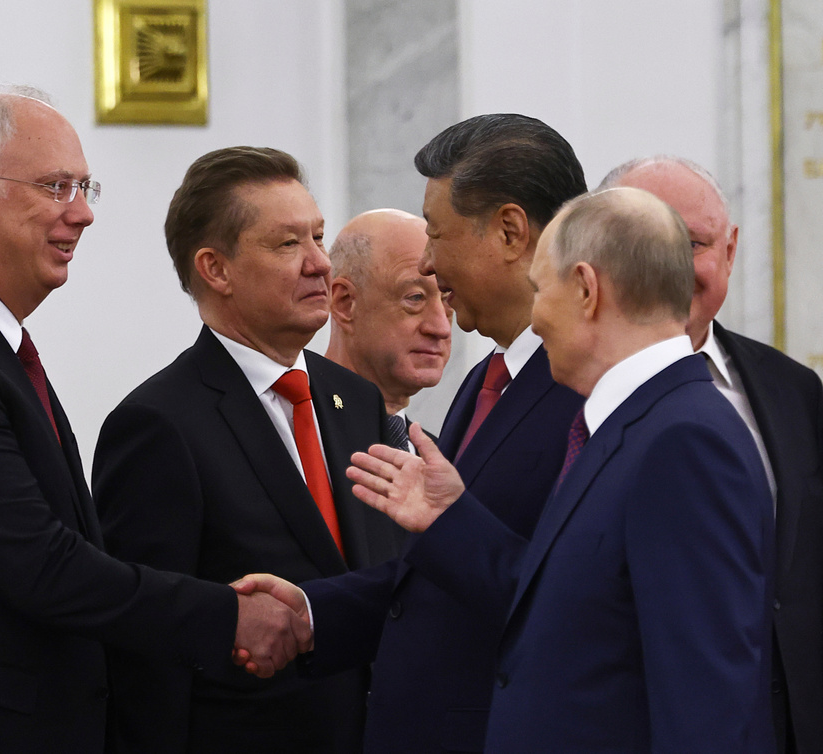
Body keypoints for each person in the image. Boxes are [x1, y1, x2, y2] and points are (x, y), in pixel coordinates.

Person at [0, 88, 308, 754]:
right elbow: (42, 565)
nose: (84, 213)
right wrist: (229, 616)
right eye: (56, 187)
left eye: (85, 186)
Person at [344, 186, 776, 752]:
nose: (536, 319)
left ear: (586, 290)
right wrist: (450, 518)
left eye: (539, 290)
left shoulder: (684, 440)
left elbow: (706, 699)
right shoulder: (630, 425)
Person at [237, 114, 587, 753]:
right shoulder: (488, 379)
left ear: (509, 231)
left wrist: (449, 519)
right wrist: (313, 613)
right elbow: (430, 579)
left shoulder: (589, 392)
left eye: (438, 234)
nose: (429, 260)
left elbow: (571, 604)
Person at [91, 147, 406, 753]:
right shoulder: (157, 424)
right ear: (216, 269)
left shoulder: (356, 400)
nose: (321, 263)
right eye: (288, 244)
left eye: (318, 236)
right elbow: (147, 647)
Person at [600, 156, 823, 754]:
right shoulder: (563, 399)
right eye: (648, 243)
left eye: (693, 243)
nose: (671, 267)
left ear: (729, 251)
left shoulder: (793, 391)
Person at [324, 208, 453, 433]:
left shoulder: (439, 460)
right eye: (415, 298)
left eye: (447, 298)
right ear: (345, 303)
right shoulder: (291, 435)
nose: (441, 328)